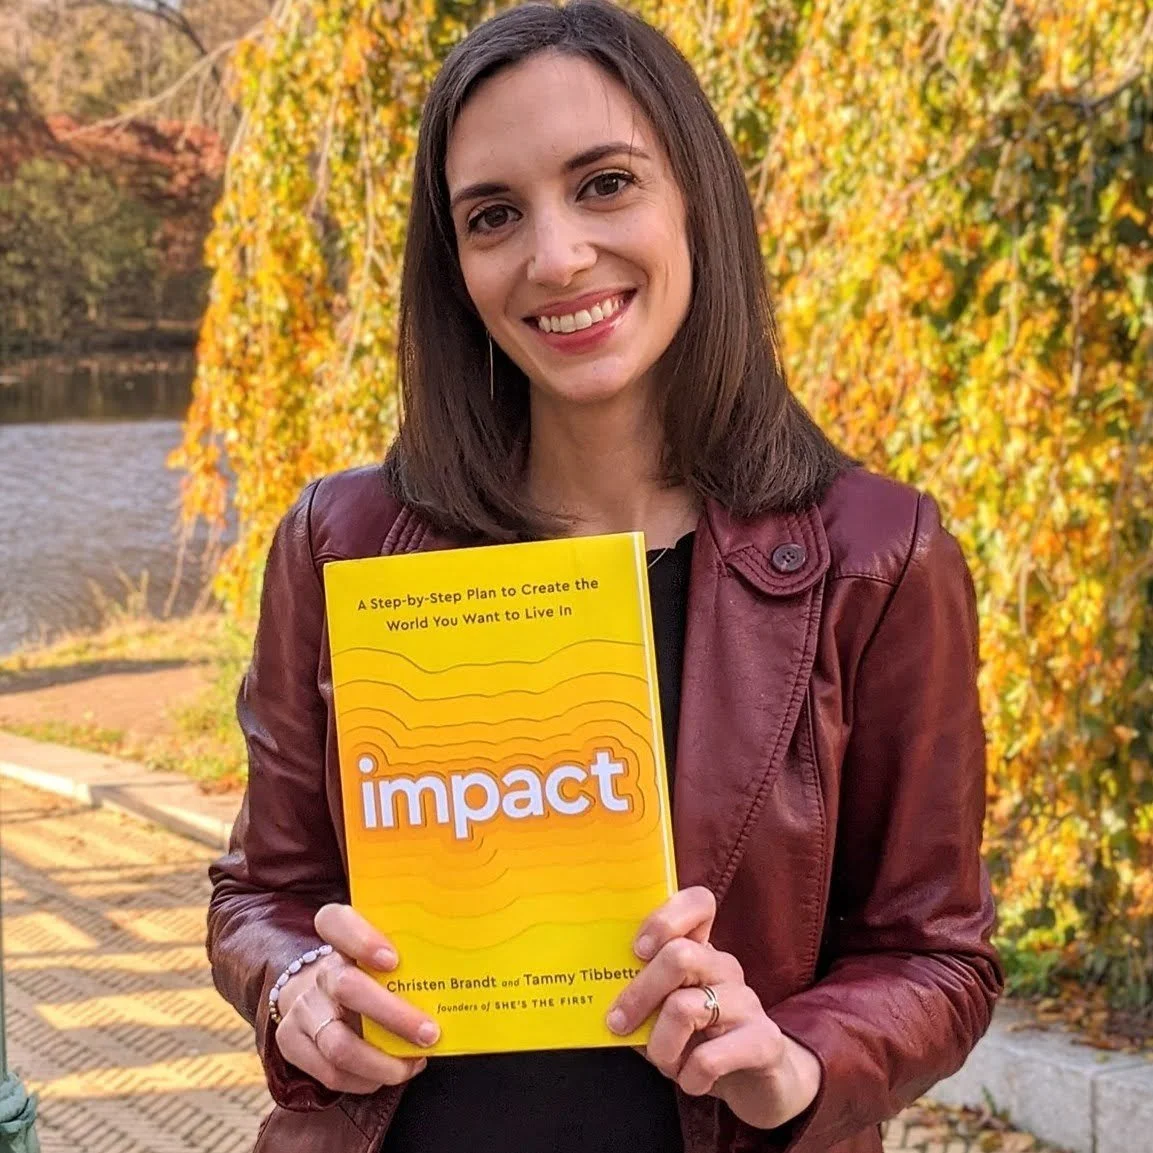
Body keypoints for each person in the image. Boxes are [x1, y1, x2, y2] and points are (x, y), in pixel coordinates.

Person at [206, 2, 1003, 1151]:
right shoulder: (345, 538)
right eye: (493, 215)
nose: (556, 255)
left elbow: (938, 952)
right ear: (457, 263)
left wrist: (792, 1058)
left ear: (694, 198)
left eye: (604, 183)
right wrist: (294, 990)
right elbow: (256, 893)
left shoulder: (874, 554)